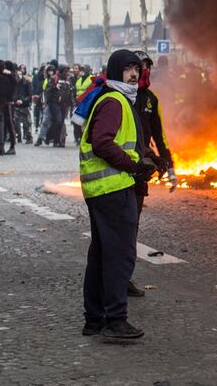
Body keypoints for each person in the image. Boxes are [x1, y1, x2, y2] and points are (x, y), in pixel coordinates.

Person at [80, 49, 156, 341]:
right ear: (115, 72)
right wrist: (133, 165)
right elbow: (101, 142)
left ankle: (94, 319)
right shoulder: (114, 100)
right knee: (119, 256)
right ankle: (115, 319)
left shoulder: (118, 99)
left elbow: (125, 141)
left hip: (103, 189)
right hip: (113, 188)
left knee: (100, 254)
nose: (134, 74)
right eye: (127, 69)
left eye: (136, 69)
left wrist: (149, 156)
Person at [128, 50, 176, 298]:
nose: (140, 73)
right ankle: (109, 279)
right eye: (136, 67)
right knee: (117, 228)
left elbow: (160, 134)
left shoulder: (150, 100)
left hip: (141, 171)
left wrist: (170, 165)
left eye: (145, 67)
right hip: (118, 170)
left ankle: (123, 277)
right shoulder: (118, 97)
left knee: (132, 226)